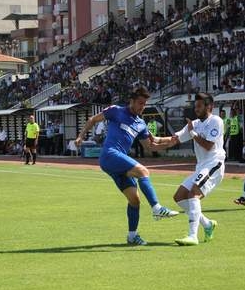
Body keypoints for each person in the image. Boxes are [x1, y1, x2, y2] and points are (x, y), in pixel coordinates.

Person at [75, 86, 179, 246]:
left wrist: (170, 142)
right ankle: (157, 208)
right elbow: (93, 120)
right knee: (143, 171)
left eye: (144, 104)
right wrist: (81, 137)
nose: (142, 107)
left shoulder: (141, 123)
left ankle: (132, 236)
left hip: (119, 162)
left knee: (135, 200)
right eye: (139, 103)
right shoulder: (116, 111)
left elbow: (151, 146)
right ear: (131, 101)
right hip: (109, 154)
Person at [169, 92, 225, 246]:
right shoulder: (195, 124)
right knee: (179, 197)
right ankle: (208, 224)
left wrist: (193, 133)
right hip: (201, 166)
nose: (196, 109)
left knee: (193, 193)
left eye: (200, 106)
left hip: (214, 164)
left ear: (210, 107)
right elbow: (175, 138)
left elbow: (208, 145)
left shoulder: (216, 121)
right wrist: (155, 140)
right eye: (195, 106)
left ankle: (193, 236)